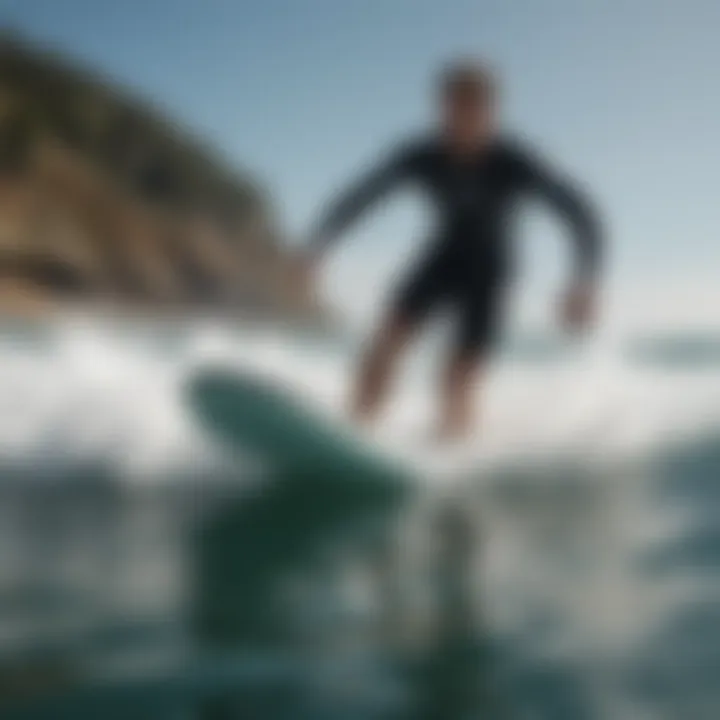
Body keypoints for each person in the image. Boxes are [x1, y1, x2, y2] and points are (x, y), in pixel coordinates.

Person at [301, 61, 603, 441]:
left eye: (470, 110)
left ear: (490, 113)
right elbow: (362, 195)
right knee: (384, 343)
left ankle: (451, 454)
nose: (457, 122)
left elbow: (580, 214)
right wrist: (318, 246)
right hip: (442, 257)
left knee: (456, 379)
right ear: (440, 107)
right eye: (450, 108)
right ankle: (353, 433)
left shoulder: (513, 161)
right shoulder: (422, 155)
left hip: (491, 270)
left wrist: (584, 281)